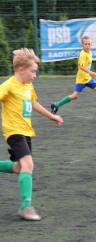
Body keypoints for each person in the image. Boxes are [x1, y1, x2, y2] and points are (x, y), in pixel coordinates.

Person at [0, 48, 63, 220]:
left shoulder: (28, 86)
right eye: (32, 71)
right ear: (21, 70)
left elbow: (34, 103)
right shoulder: (9, 85)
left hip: (26, 132)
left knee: (20, 167)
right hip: (14, 132)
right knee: (28, 165)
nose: (35, 75)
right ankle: (25, 206)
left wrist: (52, 117)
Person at [51, 36, 96, 117]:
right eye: (85, 44)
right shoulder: (83, 54)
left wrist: (90, 74)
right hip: (82, 79)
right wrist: (91, 72)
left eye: (89, 44)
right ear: (82, 45)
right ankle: (56, 105)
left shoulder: (89, 53)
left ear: (91, 44)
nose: (87, 46)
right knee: (75, 96)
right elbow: (81, 67)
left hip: (88, 78)